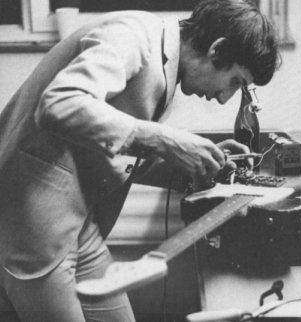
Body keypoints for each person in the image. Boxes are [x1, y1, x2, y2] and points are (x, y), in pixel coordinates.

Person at [0, 0, 279, 321]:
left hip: (79, 226)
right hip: (32, 231)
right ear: (217, 51)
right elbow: (60, 103)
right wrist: (166, 140)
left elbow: (111, 148)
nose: (223, 98)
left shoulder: (164, 66)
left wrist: (189, 166)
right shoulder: (131, 36)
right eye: (235, 82)